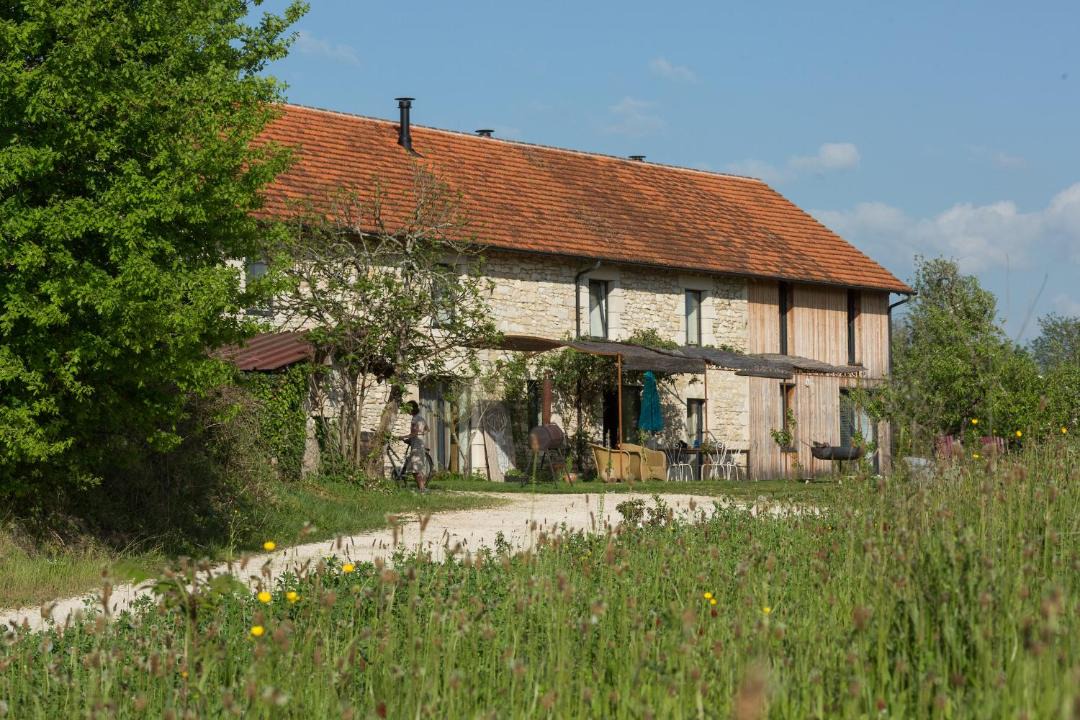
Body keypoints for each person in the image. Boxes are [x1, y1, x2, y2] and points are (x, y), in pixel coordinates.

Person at [403, 401, 430, 493]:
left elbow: (413, 433)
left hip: (416, 445)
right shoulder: (421, 418)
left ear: (411, 409)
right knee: (415, 468)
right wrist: (421, 434)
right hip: (420, 442)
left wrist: (403, 437)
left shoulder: (414, 419)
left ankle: (422, 489)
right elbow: (427, 429)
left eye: (407, 409)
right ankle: (421, 488)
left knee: (415, 469)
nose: (407, 411)